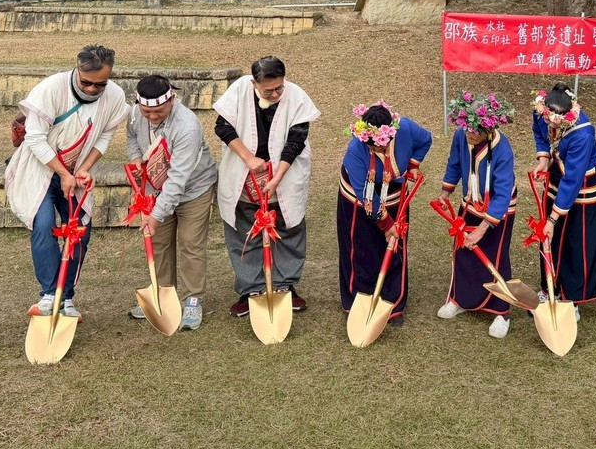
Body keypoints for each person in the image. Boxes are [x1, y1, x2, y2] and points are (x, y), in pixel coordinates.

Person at [5, 45, 128, 319]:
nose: (94, 89)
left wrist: (84, 168)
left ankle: (67, 295)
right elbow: (34, 137)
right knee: (44, 223)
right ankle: (50, 294)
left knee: (80, 229)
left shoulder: (115, 95)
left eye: (101, 84)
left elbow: (105, 135)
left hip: (75, 172)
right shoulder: (50, 89)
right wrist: (63, 174)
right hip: (40, 169)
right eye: (87, 83)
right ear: (77, 67)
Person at [214, 56, 320, 317]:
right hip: (243, 169)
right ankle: (250, 288)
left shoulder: (295, 96)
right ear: (254, 83)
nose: (275, 94)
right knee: (244, 230)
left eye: (279, 88)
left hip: (285, 171)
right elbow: (222, 127)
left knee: (287, 227)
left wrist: (278, 176)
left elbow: (297, 140)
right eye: (268, 90)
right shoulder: (239, 89)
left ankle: (285, 286)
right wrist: (249, 159)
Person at [125, 74, 219, 331]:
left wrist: (155, 215)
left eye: (159, 111)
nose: (152, 117)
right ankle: (162, 294)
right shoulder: (136, 114)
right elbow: (132, 135)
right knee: (159, 244)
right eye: (147, 112)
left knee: (191, 242)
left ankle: (192, 299)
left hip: (193, 189)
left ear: (172, 100)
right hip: (156, 188)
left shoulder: (187, 126)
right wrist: (136, 158)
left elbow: (178, 180)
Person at [338, 102, 432, 326]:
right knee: (361, 249)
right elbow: (366, 195)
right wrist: (388, 224)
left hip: (395, 193)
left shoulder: (406, 128)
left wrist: (413, 165)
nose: (375, 150)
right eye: (371, 147)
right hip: (360, 199)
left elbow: (426, 140)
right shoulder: (355, 150)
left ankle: (393, 302)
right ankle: (359, 299)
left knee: (395, 248)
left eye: (379, 147)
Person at [437, 91, 516, 338]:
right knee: (462, 252)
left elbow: (503, 194)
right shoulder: (462, 136)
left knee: (495, 258)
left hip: (498, 211)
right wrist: (446, 190)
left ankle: (501, 312)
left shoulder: (503, 151)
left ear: (489, 130)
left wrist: (482, 229)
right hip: (470, 203)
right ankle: (461, 299)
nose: (469, 134)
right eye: (467, 128)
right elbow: (454, 163)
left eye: (475, 131)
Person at [531, 84, 596, 319]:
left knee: (575, 241)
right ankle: (548, 288)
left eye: (556, 123)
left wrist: (553, 217)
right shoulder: (541, 110)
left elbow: (572, 180)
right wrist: (543, 158)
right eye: (548, 120)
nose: (550, 125)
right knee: (549, 238)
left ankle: (572, 299)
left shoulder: (583, 133)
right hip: (555, 173)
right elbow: (538, 132)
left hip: (583, 184)